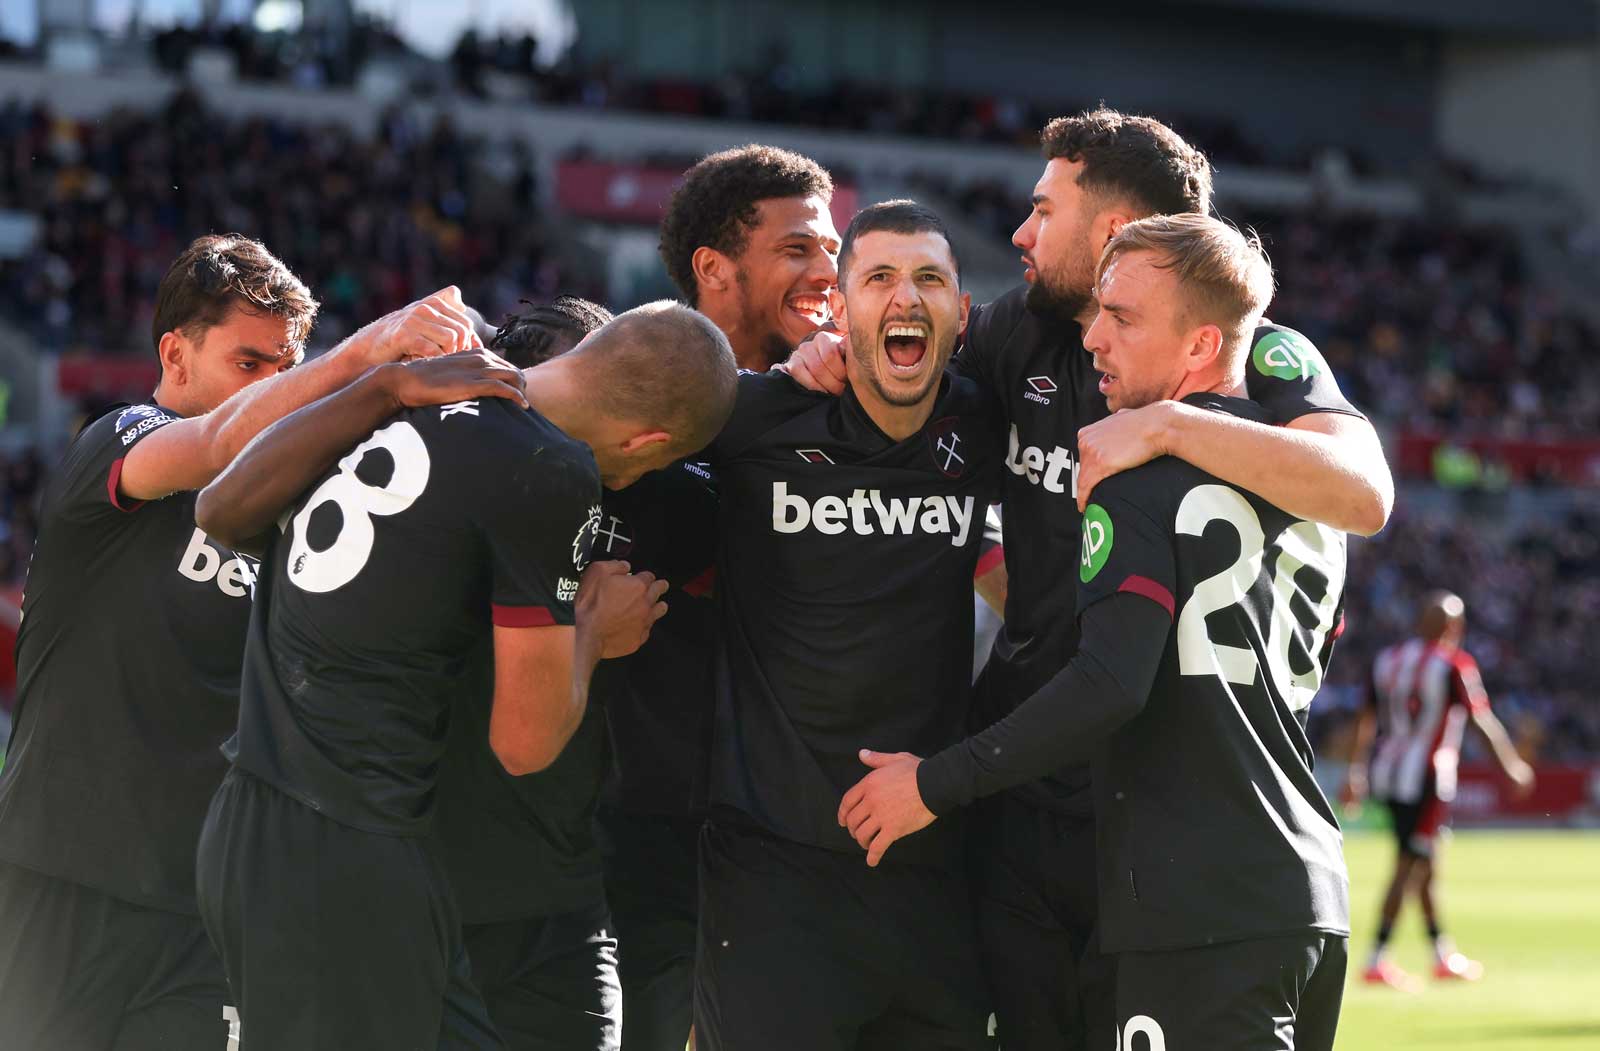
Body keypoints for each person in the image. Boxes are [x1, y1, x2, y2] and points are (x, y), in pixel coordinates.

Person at [785, 108, 1391, 1050]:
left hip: (1153, 800)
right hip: (1027, 796)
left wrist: (1167, 428)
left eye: (1042, 210)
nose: (1021, 235)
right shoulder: (1010, 336)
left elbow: (1362, 490)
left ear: (1112, 234)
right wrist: (834, 351)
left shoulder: (1255, 349)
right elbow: (911, 423)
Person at [191, 301, 738, 1050]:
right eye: (645, 464)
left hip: (251, 817)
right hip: (350, 844)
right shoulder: (553, 465)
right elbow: (524, 742)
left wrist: (384, 384)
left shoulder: (420, 394)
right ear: (648, 440)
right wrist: (592, 630)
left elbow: (218, 507)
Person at [0, 233, 485, 1049]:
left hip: (208, 904)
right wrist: (372, 357)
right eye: (252, 364)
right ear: (175, 354)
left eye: (289, 366)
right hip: (59, 877)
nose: (277, 387)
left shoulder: (303, 503)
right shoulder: (118, 438)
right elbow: (220, 442)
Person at [694, 200, 997, 1051]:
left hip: (932, 871)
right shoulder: (751, 416)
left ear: (961, 315)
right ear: (840, 308)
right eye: (880, 279)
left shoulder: (986, 421)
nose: (907, 297)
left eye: (930, 278)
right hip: (770, 875)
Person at [1343, 590, 1535, 989]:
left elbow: (1364, 720)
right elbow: (1481, 720)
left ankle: (1440, 955)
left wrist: (1355, 772)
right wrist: (1510, 766)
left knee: (1424, 863)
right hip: (1427, 777)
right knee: (1409, 863)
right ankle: (1376, 958)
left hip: (1388, 773)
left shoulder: (1387, 660)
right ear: (1454, 627)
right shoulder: (1453, 664)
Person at [658, 144, 840, 371]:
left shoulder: (861, 398)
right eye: (797, 249)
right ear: (711, 268)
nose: (832, 273)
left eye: (833, 252)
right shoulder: (638, 396)